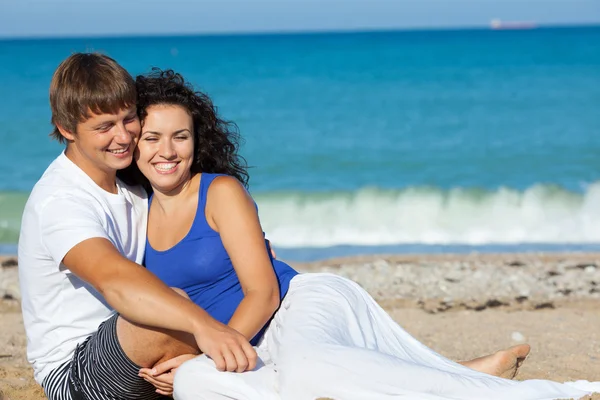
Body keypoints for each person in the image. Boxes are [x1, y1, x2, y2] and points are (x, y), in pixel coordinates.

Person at [129, 69, 599, 399]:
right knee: (195, 387)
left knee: (309, 370)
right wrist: (195, 364)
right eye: (151, 138)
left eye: (180, 136)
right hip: (249, 345)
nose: (166, 151)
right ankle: (459, 374)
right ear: (133, 144)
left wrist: (212, 352)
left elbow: (264, 292)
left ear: (197, 141)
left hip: (298, 305)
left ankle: (544, 394)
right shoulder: (131, 213)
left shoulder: (220, 192)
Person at [18, 53, 258, 400]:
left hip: (127, 346)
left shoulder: (130, 186)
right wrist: (204, 328)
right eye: (104, 127)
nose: (123, 136)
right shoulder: (60, 200)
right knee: (177, 308)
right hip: (74, 373)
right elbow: (115, 280)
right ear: (67, 129)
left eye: (128, 119)